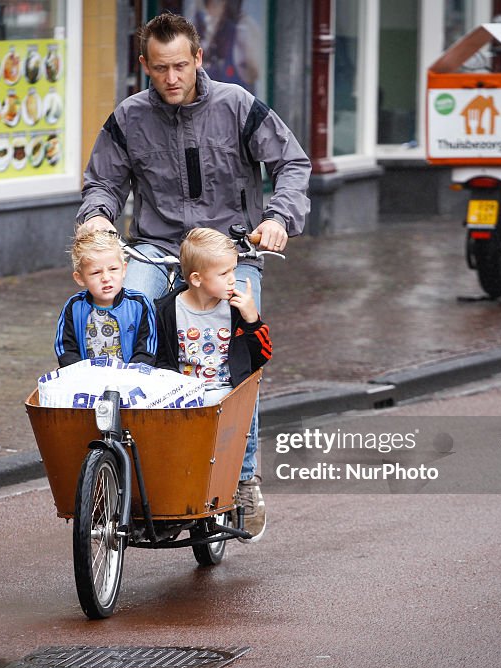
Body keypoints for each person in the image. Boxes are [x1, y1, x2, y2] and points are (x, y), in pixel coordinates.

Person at [76, 11, 310, 539]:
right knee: (123, 308)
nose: (173, 78)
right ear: (144, 66)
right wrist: (96, 215)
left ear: (199, 58)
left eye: (181, 65)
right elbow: (103, 184)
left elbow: (292, 164)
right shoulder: (128, 118)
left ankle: (244, 479)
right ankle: (120, 461)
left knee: (235, 355)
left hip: (233, 251)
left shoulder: (237, 106)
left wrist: (278, 218)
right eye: (160, 69)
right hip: (158, 251)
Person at [154, 228, 271, 541]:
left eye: (233, 270)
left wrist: (251, 320)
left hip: (224, 392)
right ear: (196, 279)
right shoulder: (167, 309)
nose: (232, 279)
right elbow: (161, 358)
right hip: (184, 393)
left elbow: (261, 358)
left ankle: (243, 484)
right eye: (224, 273)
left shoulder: (234, 309)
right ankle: (171, 507)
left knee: (233, 426)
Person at [54, 229, 157, 367]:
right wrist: (80, 374)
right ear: (80, 278)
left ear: (124, 270)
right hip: (87, 382)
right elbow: (65, 348)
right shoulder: (74, 307)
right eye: (96, 272)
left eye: (113, 269)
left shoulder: (139, 303)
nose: (106, 278)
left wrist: (132, 374)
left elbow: (147, 346)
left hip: (130, 379)